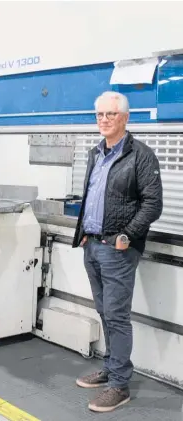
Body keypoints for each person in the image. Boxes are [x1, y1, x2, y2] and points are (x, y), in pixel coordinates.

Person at [72, 91, 163, 412]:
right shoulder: (96, 153)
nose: (104, 120)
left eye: (111, 114)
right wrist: (84, 233)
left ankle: (119, 385)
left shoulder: (141, 155)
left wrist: (128, 235)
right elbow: (91, 197)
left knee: (117, 316)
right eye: (99, 114)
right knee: (103, 310)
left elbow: (153, 204)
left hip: (119, 248)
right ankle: (111, 367)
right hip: (93, 245)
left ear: (125, 118)